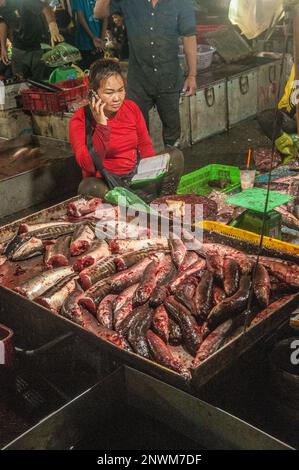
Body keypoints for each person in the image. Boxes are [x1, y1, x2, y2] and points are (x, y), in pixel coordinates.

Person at [69, 59, 184, 201]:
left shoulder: (131, 108)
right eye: (109, 92)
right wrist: (102, 126)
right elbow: (88, 166)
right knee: (88, 187)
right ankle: (128, 206)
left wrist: (150, 177)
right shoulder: (80, 119)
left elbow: (145, 146)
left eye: (121, 90)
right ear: (94, 94)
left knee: (174, 155)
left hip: (135, 176)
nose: (117, 98)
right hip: (108, 184)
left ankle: (162, 202)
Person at [94, 0, 197, 148]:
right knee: (136, 133)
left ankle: (173, 166)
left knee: (172, 135)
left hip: (169, 78)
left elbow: (189, 36)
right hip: (139, 81)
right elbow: (99, 12)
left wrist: (192, 75)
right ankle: (141, 166)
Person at [0, 0, 64, 80]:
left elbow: (45, 8)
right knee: (19, 82)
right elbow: (3, 23)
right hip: (18, 49)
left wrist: (53, 26)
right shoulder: (1, 8)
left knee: (41, 81)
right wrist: (3, 47)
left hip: (38, 47)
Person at [71, 0, 107, 70]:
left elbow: (105, 17)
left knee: (97, 72)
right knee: (88, 73)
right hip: (84, 43)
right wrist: (95, 38)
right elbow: (80, 18)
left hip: (98, 43)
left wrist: (101, 40)